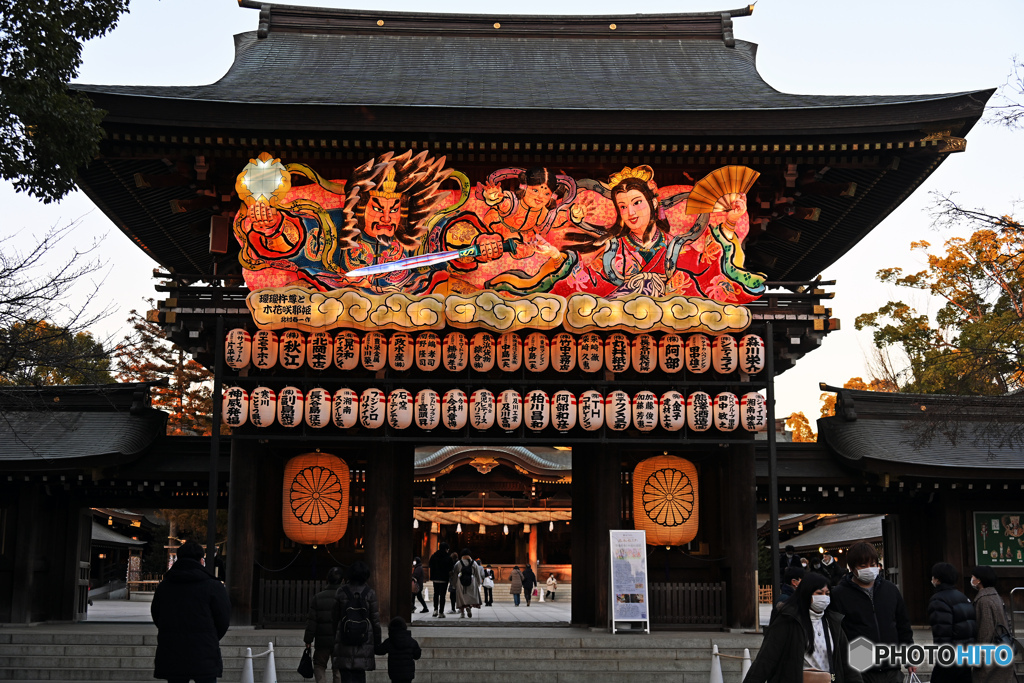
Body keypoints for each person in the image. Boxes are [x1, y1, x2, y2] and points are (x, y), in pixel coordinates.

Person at [743, 572, 863, 683]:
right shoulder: (788, 619)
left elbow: (848, 662)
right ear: (807, 593)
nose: (824, 597)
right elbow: (767, 658)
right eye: (819, 593)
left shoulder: (833, 622)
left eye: (827, 594)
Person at [830, 542, 913, 683]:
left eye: (873, 564)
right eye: (863, 566)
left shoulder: (890, 589)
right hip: (859, 671)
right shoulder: (839, 595)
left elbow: (903, 625)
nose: (869, 569)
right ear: (852, 568)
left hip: (891, 667)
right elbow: (836, 633)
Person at [151, 540, 231, 683]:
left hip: (172, 648)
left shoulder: (165, 586)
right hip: (204, 649)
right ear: (201, 560)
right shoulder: (213, 585)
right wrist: (211, 635)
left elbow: (157, 614)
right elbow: (223, 618)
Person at [331, 561, 381, 683]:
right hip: (363, 641)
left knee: (345, 676)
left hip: (344, 639)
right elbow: (375, 621)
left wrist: (334, 637)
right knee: (360, 675)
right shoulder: (370, 593)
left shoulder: (341, 592)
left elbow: (334, 617)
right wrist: (377, 643)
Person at [927, 562, 976, 683]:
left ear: (938, 579)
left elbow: (942, 633)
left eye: (933, 576)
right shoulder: (963, 597)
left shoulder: (938, 600)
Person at [970, 565, 1016, 683]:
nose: (972, 579)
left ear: (979, 580)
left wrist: (978, 658)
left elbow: (985, 631)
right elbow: (1007, 622)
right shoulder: (996, 596)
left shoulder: (983, 600)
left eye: (973, 576)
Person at [303, 566, 345, 683]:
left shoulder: (318, 597)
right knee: (338, 669)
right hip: (340, 640)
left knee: (319, 665)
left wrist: (308, 640)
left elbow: (312, 621)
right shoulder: (345, 598)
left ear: (327, 580)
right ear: (342, 580)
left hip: (322, 641)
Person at [375, 617, 421, 683]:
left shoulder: (389, 641)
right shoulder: (411, 641)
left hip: (394, 674)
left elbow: (379, 651)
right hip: (407, 674)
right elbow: (417, 656)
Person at [453, 547, 484, 618]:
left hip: (461, 583)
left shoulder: (458, 563)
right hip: (472, 581)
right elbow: (477, 574)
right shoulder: (474, 563)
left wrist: (454, 584)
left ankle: (462, 613)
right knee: (470, 597)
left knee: (461, 598)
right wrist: (479, 582)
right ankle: (469, 607)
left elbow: (455, 574)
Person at [427, 542, 454, 618]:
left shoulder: (434, 556)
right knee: (442, 595)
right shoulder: (448, 557)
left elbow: (430, 565)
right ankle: (441, 612)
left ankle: (435, 610)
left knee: (436, 594)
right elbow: (451, 568)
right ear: (446, 549)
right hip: (444, 578)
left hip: (435, 578)